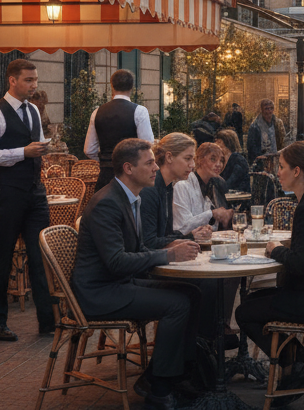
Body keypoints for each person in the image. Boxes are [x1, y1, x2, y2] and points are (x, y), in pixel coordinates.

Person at [73, 137, 204, 408]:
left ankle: (178, 373)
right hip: (99, 293)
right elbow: (117, 262)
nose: (156, 168)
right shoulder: (108, 202)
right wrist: (168, 254)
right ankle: (159, 387)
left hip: (118, 283)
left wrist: (173, 243)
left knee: (192, 292)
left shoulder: (130, 197)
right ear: (128, 168)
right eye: (149, 163)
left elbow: (139, 247)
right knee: (177, 303)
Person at [235, 142, 304, 397]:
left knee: (244, 312)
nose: (278, 173)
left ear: (297, 171)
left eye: (282, 167)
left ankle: (294, 363)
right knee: (253, 301)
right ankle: (302, 360)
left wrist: (275, 249)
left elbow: (299, 264)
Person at [0, 57, 55, 341]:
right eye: (28, 80)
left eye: (35, 80)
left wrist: (41, 152)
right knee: (2, 256)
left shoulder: (33, 110)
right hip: (7, 192)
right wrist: (23, 152)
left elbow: (37, 145)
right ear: (12, 80)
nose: (34, 85)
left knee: (41, 256)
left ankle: (49, 320)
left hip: (35, 191)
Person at [84, 69, 154, 190]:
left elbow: (89, 150)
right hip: (131, 177)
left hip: (105, 176)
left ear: (112, 86)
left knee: (105, 208)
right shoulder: (139, 111)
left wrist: (105, 160)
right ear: (132, 87)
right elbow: (147, 146)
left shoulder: (97, 112)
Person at [141, 133, 213, 249]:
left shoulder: (167, 187)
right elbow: (149, 242)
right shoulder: (150, 190)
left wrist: (192, 234)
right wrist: (188, 238)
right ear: (169, 157)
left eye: (193, 159)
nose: (192, 165)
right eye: (187, 159)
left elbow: (166, 235)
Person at [173, 142, 235, 234]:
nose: (218, 164)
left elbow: (221, 224)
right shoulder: (182, 186)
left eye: (221, 160)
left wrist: (228, 217)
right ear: (199, 160)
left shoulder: (218, 184)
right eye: (213, 159)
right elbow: (182, 226)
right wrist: (212, 214)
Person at [246, 99, 285, 168]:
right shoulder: (255, 126)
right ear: (261, 110)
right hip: (261, 163)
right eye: (266, 109)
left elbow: (282, 141)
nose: (269, 111)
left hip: (276, 160)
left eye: (271, 108)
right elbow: (251, 146)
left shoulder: (278, 123)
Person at [216, 128, 250, 194]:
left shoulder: (238, 160)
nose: (216, 144)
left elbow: (232, 182)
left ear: (227, 143)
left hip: (239, 199)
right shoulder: (221, 160)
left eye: (219, 142)